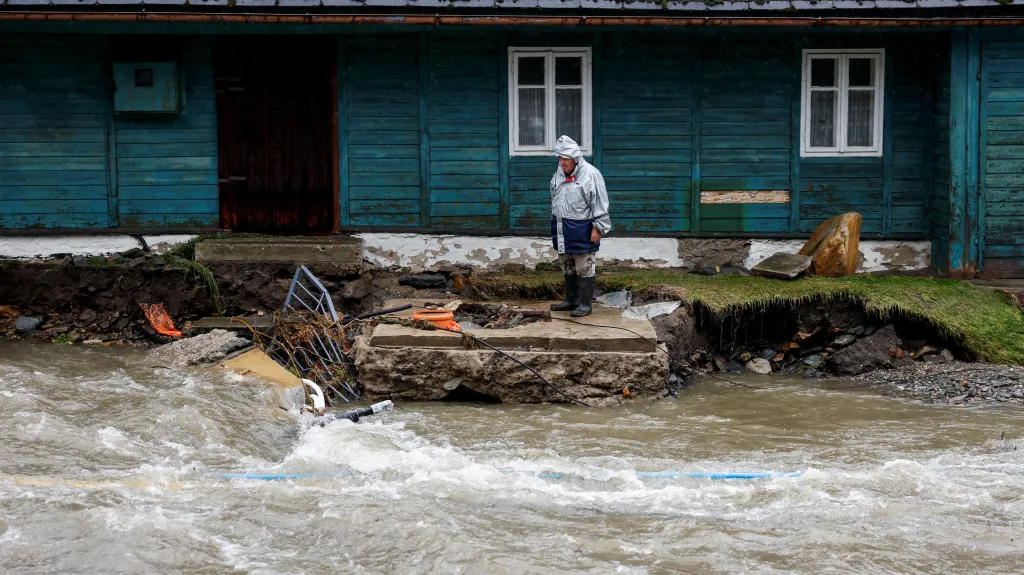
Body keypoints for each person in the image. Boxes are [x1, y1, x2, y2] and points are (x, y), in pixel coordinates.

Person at [549, 135, 611, 318]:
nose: (561, 163)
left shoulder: (591, 174)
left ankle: (585, 304)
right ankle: (571, 300)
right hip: (561, 226)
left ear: (575, 159)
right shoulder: (559, 173)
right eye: (559, 159)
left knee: (584, 265)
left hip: (582, 226)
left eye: (565, 159)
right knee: (567, 264)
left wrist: (598, 227)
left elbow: (600, 202)